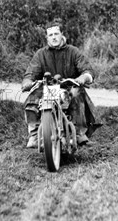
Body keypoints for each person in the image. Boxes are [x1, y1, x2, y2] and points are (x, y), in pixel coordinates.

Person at [21, 19, 101, 148]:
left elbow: (87, 69)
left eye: (56, 34)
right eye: (50, 35)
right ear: (47, 38)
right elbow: (31, 72)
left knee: (76, 94)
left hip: (69, 85)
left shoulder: (73, 51)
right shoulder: (41, 54)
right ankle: (35, 135)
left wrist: (83, 78)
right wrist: (27, 82)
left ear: (62, 35)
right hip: (47, 87)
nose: (54, 37)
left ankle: (79, 133)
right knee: (32, 99)